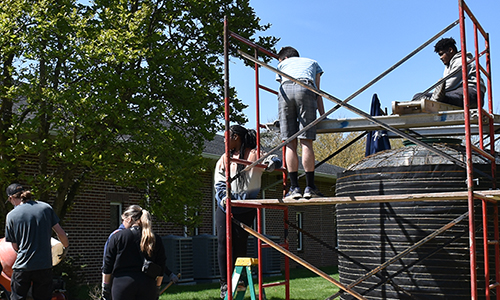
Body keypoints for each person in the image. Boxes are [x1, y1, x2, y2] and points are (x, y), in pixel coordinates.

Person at [214, 124, 281, 299]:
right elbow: (219, 182)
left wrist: (273, 162)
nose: (223, 141)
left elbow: (270, 158)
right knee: (223, 240)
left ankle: (239, 280)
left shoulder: (253, 153)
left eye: (225, 137)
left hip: (246, 204)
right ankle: (224, 283)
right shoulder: (225, 158)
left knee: (239, 241)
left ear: (235, 137)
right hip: (226, 204)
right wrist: (224, 199)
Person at [4, 183, 69, 300]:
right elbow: (61, 234)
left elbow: (15, 246)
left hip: (23, 267)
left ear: (11, 198)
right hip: (44, 266)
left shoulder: (11, 215)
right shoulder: (45, 208)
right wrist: (65, 248)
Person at [276, 46, 325, 200]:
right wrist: (323, 115)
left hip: (285, 91)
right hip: (305, 87)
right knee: (306, 142)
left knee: (290, 142)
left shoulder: (281, 65)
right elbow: (318, 92)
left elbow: (283, 86)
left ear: (284, 58)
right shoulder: (313, 62)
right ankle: (309, 187)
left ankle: (294, 188)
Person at [101, 205, 179, 300]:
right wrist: (157, 287)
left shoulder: (118, 237)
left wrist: (105, 287)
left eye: (123, 220)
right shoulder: (155, 239)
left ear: (129, 219)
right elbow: (161, 266)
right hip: (148, 286)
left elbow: (107, 265)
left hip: (122, 285)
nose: (122, 223)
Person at [412, 37, 486, 109]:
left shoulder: (461, 61)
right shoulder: (449, 65)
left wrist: (434, 94)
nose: (440, 58)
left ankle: (434, 100)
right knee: (418, 96)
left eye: (441, 54)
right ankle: (432, 100)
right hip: (457, 92)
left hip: (473, 94)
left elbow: (449, 84)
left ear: (450, 50)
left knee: (446, 97)